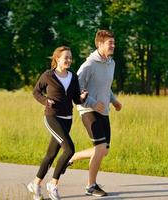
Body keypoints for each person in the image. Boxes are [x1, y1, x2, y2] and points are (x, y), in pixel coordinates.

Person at [27, 46, 88, 200]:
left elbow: (75, 99)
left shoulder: (73, 76)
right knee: (69, 149)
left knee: (51, 154)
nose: (68, 60)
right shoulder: (48, 76)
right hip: (52, 117)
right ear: (57, 59)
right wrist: (45, 101)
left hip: (67, 118)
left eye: (70, 57)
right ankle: (53, 184)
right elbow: (36, 92)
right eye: (65, 57)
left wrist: (82, 97)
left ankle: (35, 183)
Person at [66, 30, 122, 197]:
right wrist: (90, 103)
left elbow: (105, 87)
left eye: (113, 42)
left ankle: (72, 157)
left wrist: (114, 100)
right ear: (100, 44)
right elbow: (74, 88)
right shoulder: (89, 65)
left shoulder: (111, 63)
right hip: (88, 109)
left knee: (104, 150)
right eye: (109, 43)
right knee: (100, 148)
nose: (113, 45)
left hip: (103, 110)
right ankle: (91, 186)